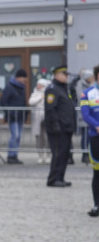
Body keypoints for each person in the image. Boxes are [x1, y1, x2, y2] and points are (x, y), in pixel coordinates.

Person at [45, 66, 76, 187]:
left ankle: (60, 177)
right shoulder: (53, 89)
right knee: (58, 154)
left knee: (64, 154)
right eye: (64, 74)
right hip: (58, 128)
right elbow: (51, 109)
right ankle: (53, 179)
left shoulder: (63, 88)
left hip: (66, 127)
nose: (67, 77)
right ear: (57, 75)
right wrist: (56, 125)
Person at [79, 65, 99, 217]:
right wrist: (97, 125)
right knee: (97, 173)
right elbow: (86, 115)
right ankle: (97, 205)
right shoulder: (87, 94)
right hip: (96, 137)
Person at [0, 69, 28, 164]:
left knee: (18, 136)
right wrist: (10, 113)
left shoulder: (22, 88)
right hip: (13, 117)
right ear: (18, 77)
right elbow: (3, 101)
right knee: (15, 135)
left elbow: (23, 102)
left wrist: (26, 113)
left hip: (20, 116)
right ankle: (11, 155)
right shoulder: (9, 87)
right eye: (24, 77)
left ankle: (15, 155)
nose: (25, 80)